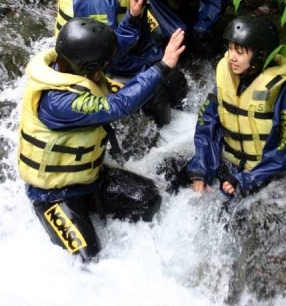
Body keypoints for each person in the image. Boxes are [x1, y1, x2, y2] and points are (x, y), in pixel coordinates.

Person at [18, 17, 185, 262]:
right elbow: (118, 106)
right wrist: (162, 66)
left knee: (148, 199)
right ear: (89, 66)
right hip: (53, 195)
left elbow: (111, 48)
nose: (108, 67)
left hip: (90, 178)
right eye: (103, 64)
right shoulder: (59, 101)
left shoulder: (71, 63)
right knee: (88, 260)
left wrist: (132, 19)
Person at [55, 0, 188, 126]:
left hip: (124, 52)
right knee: (156, 96)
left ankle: (181, 129)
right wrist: (150, 68)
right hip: (98, 66)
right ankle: (159, 147)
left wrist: (154, 59)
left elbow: (142, 29)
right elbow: (103, 54)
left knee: (176, 80)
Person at [187, 15, 286, 197]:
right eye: (230, 49)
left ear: (261, 54)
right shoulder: (226, 77)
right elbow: (207, 122)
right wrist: (201, 170)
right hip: (233, 167)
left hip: (276, 178)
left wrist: (247, 179)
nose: (232, 58)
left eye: (240, 52)